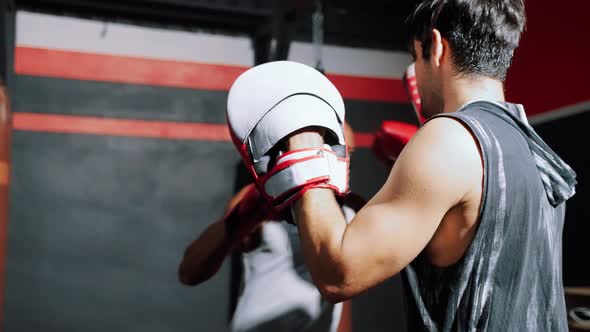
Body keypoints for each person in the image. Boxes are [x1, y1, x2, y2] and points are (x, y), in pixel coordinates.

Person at [224, 0, 578, 331]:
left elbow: (337, 274)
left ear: (436, 47)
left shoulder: (451, 139)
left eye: (416, 57)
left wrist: (303, 143)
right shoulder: (535, 149)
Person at [178, 124, 362, 332]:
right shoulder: (268, 195)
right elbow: (190, 272)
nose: (342, 161)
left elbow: (343, 297)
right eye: (335, 150)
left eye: (347, 154)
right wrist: (246, 214)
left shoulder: (349, 211)